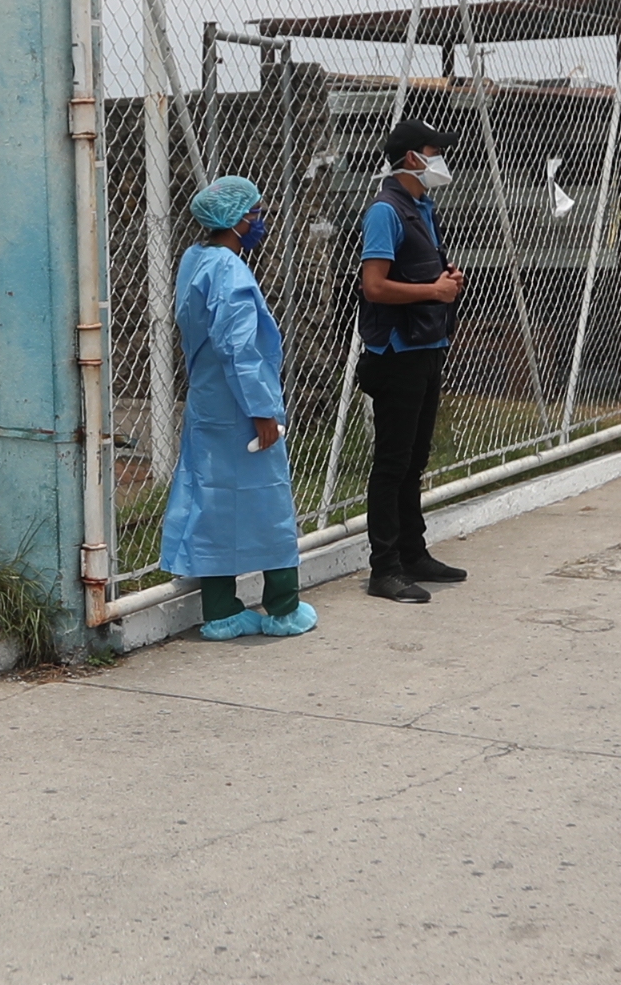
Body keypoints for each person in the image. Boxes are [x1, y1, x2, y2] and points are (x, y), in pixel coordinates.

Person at [159, 175, 316, 641]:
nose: (260, 222)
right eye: (255, 214)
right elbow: (239, 348)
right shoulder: (229, 271)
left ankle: (221, 610)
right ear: (235, 221)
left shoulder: (196, 260)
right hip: (240, 407)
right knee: (268, 500)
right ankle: (283, 606)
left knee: (213, 501)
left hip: (208, 401)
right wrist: (262, 411)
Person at [354, 118, 469, 604]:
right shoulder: (386, 210)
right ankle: (385, 568)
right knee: (393, 462)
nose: (440, 159)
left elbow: (419, 274)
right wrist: (433, 291)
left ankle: (412, 552)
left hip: (425, 347)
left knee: (415, 458)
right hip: (396, 352)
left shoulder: (422, 206)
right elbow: (374, 285)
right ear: (411, 158)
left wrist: (445, 281)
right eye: (433, 151)